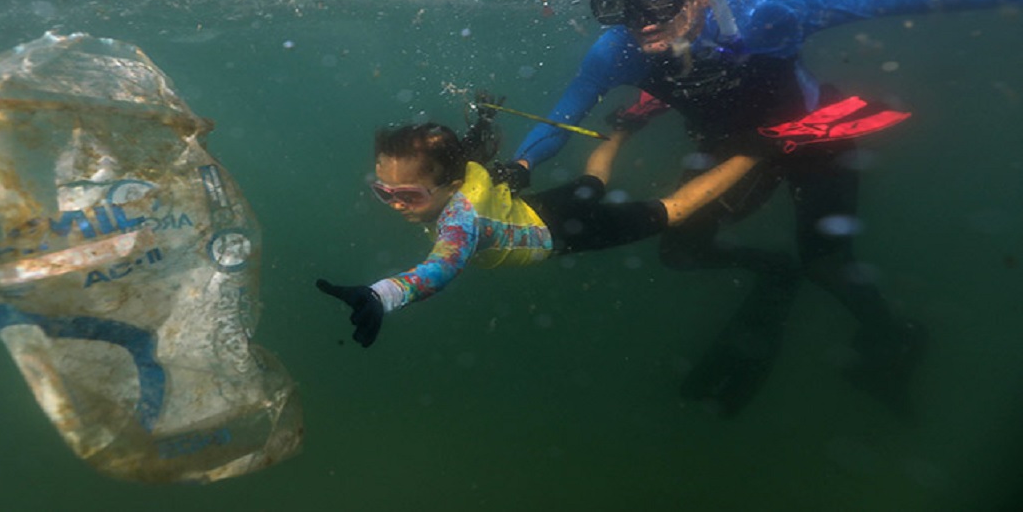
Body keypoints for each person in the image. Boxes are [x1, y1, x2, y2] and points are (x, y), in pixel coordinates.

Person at [499, 0, 1023, 415]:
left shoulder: (774, 8)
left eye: (656, 0)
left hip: (815, 140)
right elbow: (560, 118)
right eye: (622, 8)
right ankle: (773, 271)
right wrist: (520, 167)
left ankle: (894, 338)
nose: (643, 23)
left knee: (826, 262)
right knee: (681, 251)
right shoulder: (616, 50)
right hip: (733, 151)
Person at [316, 111, 762, 350]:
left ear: (450, 187)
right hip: (536, 209)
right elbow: (467, 156)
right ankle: (626, 125)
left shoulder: (460, 221)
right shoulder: (463, 170)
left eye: (408, 195)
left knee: (674, 211)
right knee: (593, 182)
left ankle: (759, 151)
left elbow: (441, 267)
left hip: (562, 233)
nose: (395, 204)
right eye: (383, 192)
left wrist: (382, 294)